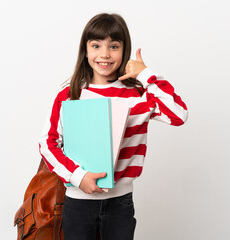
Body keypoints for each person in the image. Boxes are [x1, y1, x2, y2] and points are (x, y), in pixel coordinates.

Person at [38, 13, 188, 240]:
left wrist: (146, 75)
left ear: (124, 50)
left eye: (114, 46)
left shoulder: (138, 94)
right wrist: (78, 177)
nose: (105, 54)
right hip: (78, 203)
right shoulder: (71, 95)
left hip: (120, 203)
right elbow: (48, 143)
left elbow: (179, 114)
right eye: (96, 45)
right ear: (85, 51)